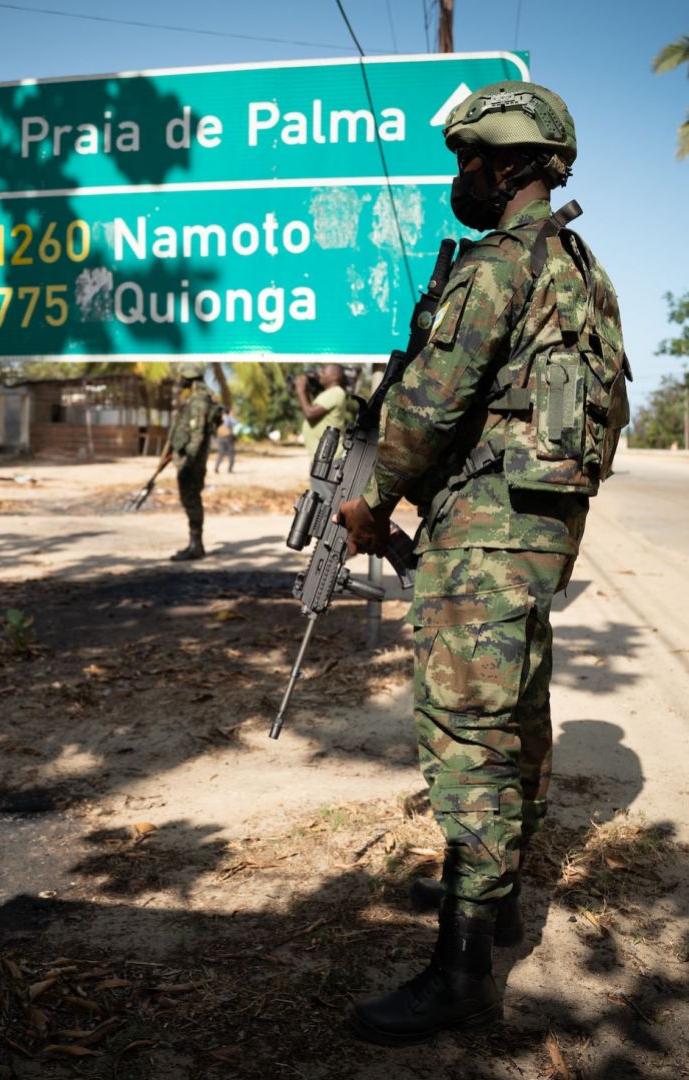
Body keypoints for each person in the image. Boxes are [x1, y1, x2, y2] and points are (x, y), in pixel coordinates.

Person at [336, 81, 630, 1045]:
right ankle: (495, 902)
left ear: (510, 164)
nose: (457, 175)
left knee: (467, 737)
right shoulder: (584, 268)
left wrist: (372, 504)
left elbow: (426, 407)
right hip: (538, 534)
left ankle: (460, 971)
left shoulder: (499, 267)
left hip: (485, 532)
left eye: (469, 159)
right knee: (519, 711)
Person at [160, 361, 217, 561]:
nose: (180, 379)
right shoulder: (196, 397)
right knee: (190, 499)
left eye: (183, 375)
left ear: (190, 377)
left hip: (192, 460)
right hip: (189, 458)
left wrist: (189, 459)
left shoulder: (200, 400)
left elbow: (198, 434)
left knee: (191, 499)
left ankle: (196, 546)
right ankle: (195, 544)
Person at [297, 364, 351, 460]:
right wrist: (306, 391)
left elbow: (310, 413)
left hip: (330, 458)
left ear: (335, 376)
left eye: (323, 372)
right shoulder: (329, 393)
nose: (320, 374)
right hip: (324, 456)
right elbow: (308, 408)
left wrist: (300, 390)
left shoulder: (336, 392)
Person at [214, 408, 238, 473]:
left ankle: (217, 466)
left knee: (221, 454)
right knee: (231, 454)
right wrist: (231, 416)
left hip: (220, 438)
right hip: (228, 438)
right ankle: (230, 469)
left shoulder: (218, 418)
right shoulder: (228, 418)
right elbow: (235, 423)